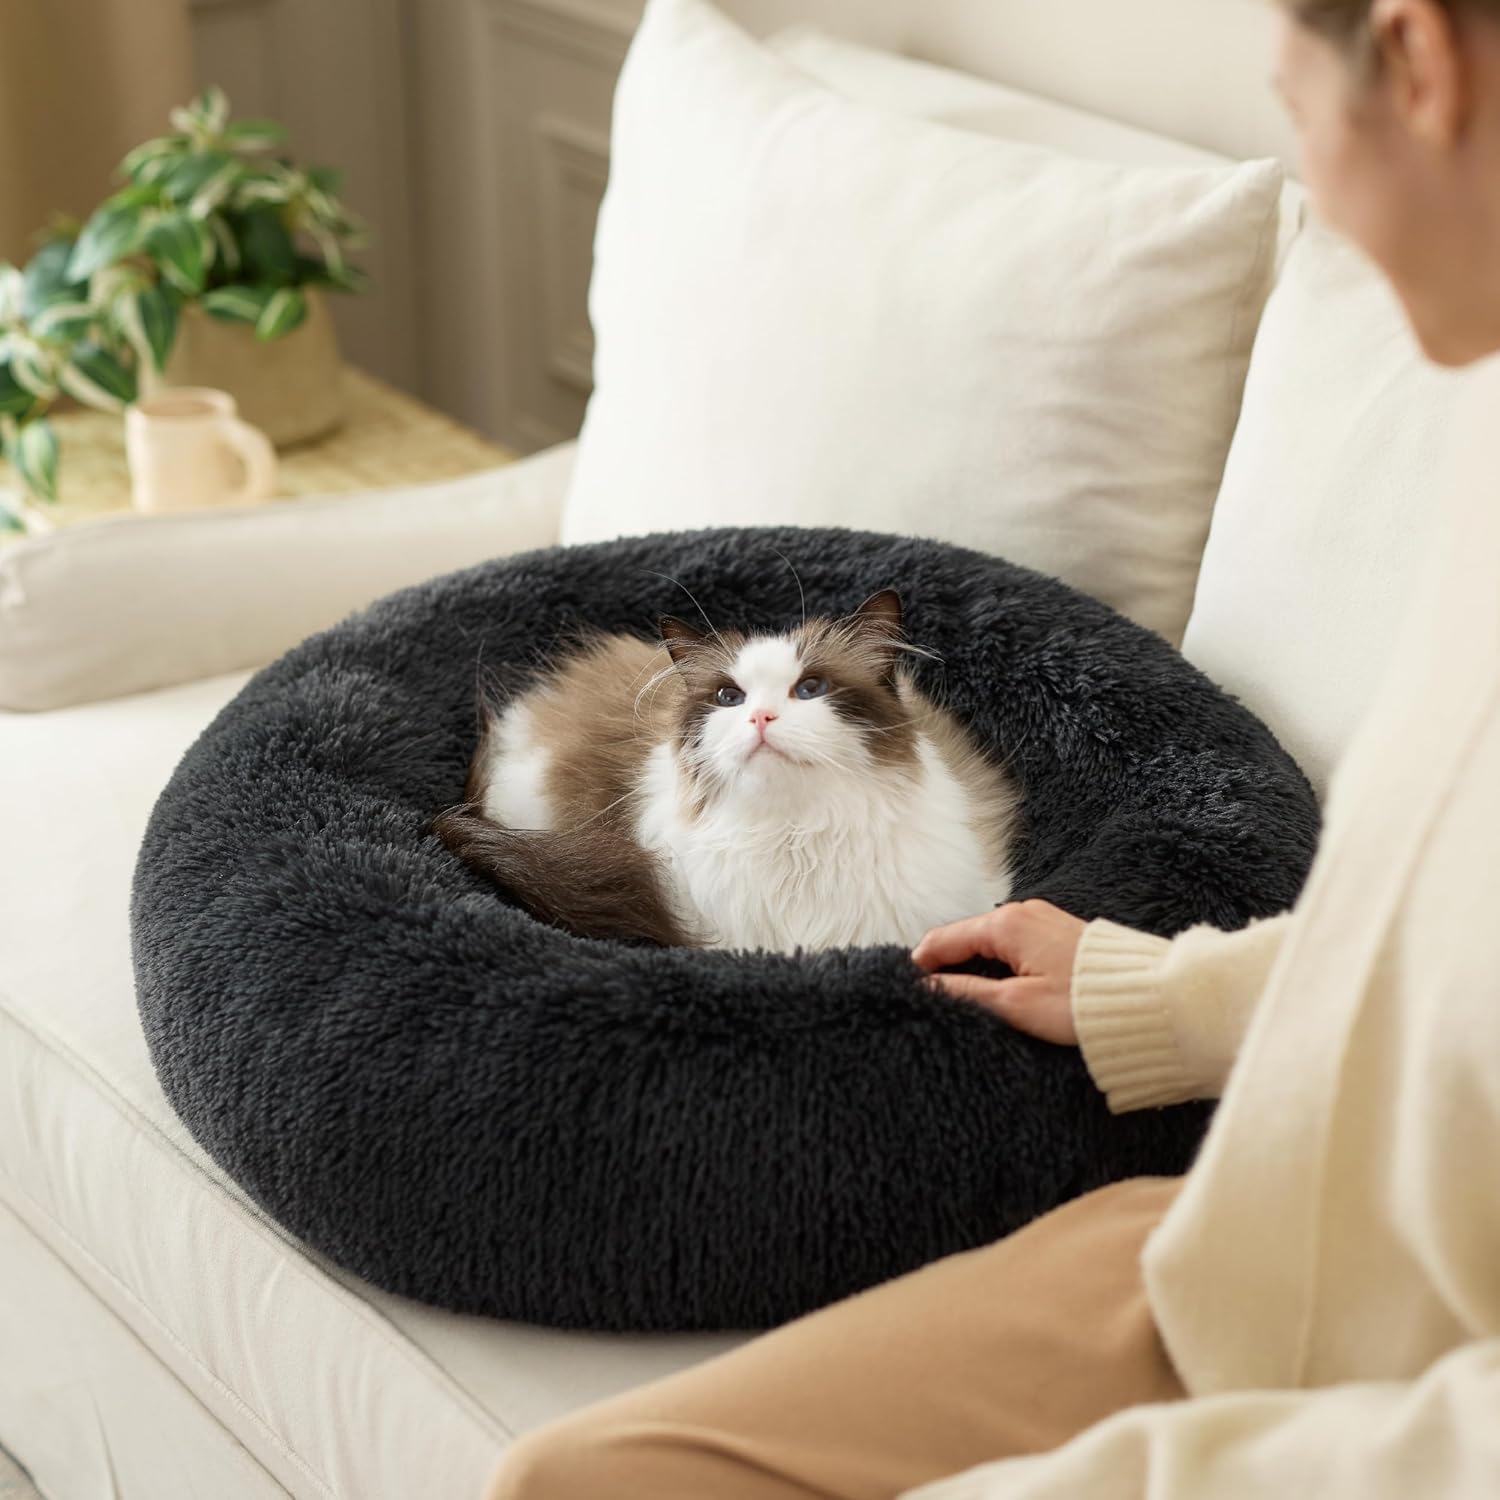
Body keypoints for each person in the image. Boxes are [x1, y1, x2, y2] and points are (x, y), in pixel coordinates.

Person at [488, 0, 1500, 1493]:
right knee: (571, 1478)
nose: (1321, 205)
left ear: (1416, 62)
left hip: (1403, 1380)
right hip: (1250, 1230)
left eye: (1294, 110)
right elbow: (1449, 953)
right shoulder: (1476, 439)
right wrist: (1160, 992)